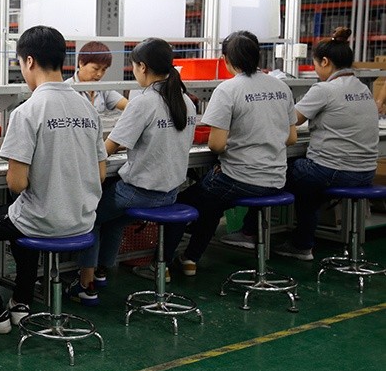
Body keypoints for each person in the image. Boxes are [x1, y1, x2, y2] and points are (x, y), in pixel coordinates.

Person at [0, 25, 106, 334]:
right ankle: (21, 301)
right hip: (83, 220)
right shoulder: (87, 109)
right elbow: (101, 173)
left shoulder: (28, 111)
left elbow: (17, 183)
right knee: (20, 213)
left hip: (43, 221)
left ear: (28, 61)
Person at [222, 27, 378, 260]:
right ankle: (299, 241)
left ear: (325, 62)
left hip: (335, 170)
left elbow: (289, 119)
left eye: (315, 64)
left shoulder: (324, 89)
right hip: (365, 172)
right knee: (302, 183)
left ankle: (253, 233)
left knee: (271, 173)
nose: (315, 70)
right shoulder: (363, 88)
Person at [67, 38, 196, 304]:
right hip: (170, 193)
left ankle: (86, 283)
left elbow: (108, 149)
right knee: (115, 220)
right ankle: (102, 271)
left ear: (142, 67)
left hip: (140, 193)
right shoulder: (185, 101)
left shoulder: (144, 102)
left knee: (91, 216)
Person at [163, 31, 297, 276]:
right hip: (276, 179)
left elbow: (216, 145)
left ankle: (162, 265)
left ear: (226, 59)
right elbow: (291, 138)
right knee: (211, 203)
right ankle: (189, 259)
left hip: (241, 178)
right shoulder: (281, 87)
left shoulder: (228, 89)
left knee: (182, 202)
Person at [64, 41, 127, 114]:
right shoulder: (67, 88)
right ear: (81, 63)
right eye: (96, 69)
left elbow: (127, 105)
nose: (99, 74)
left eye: (103, 69)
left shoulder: (102, 88)